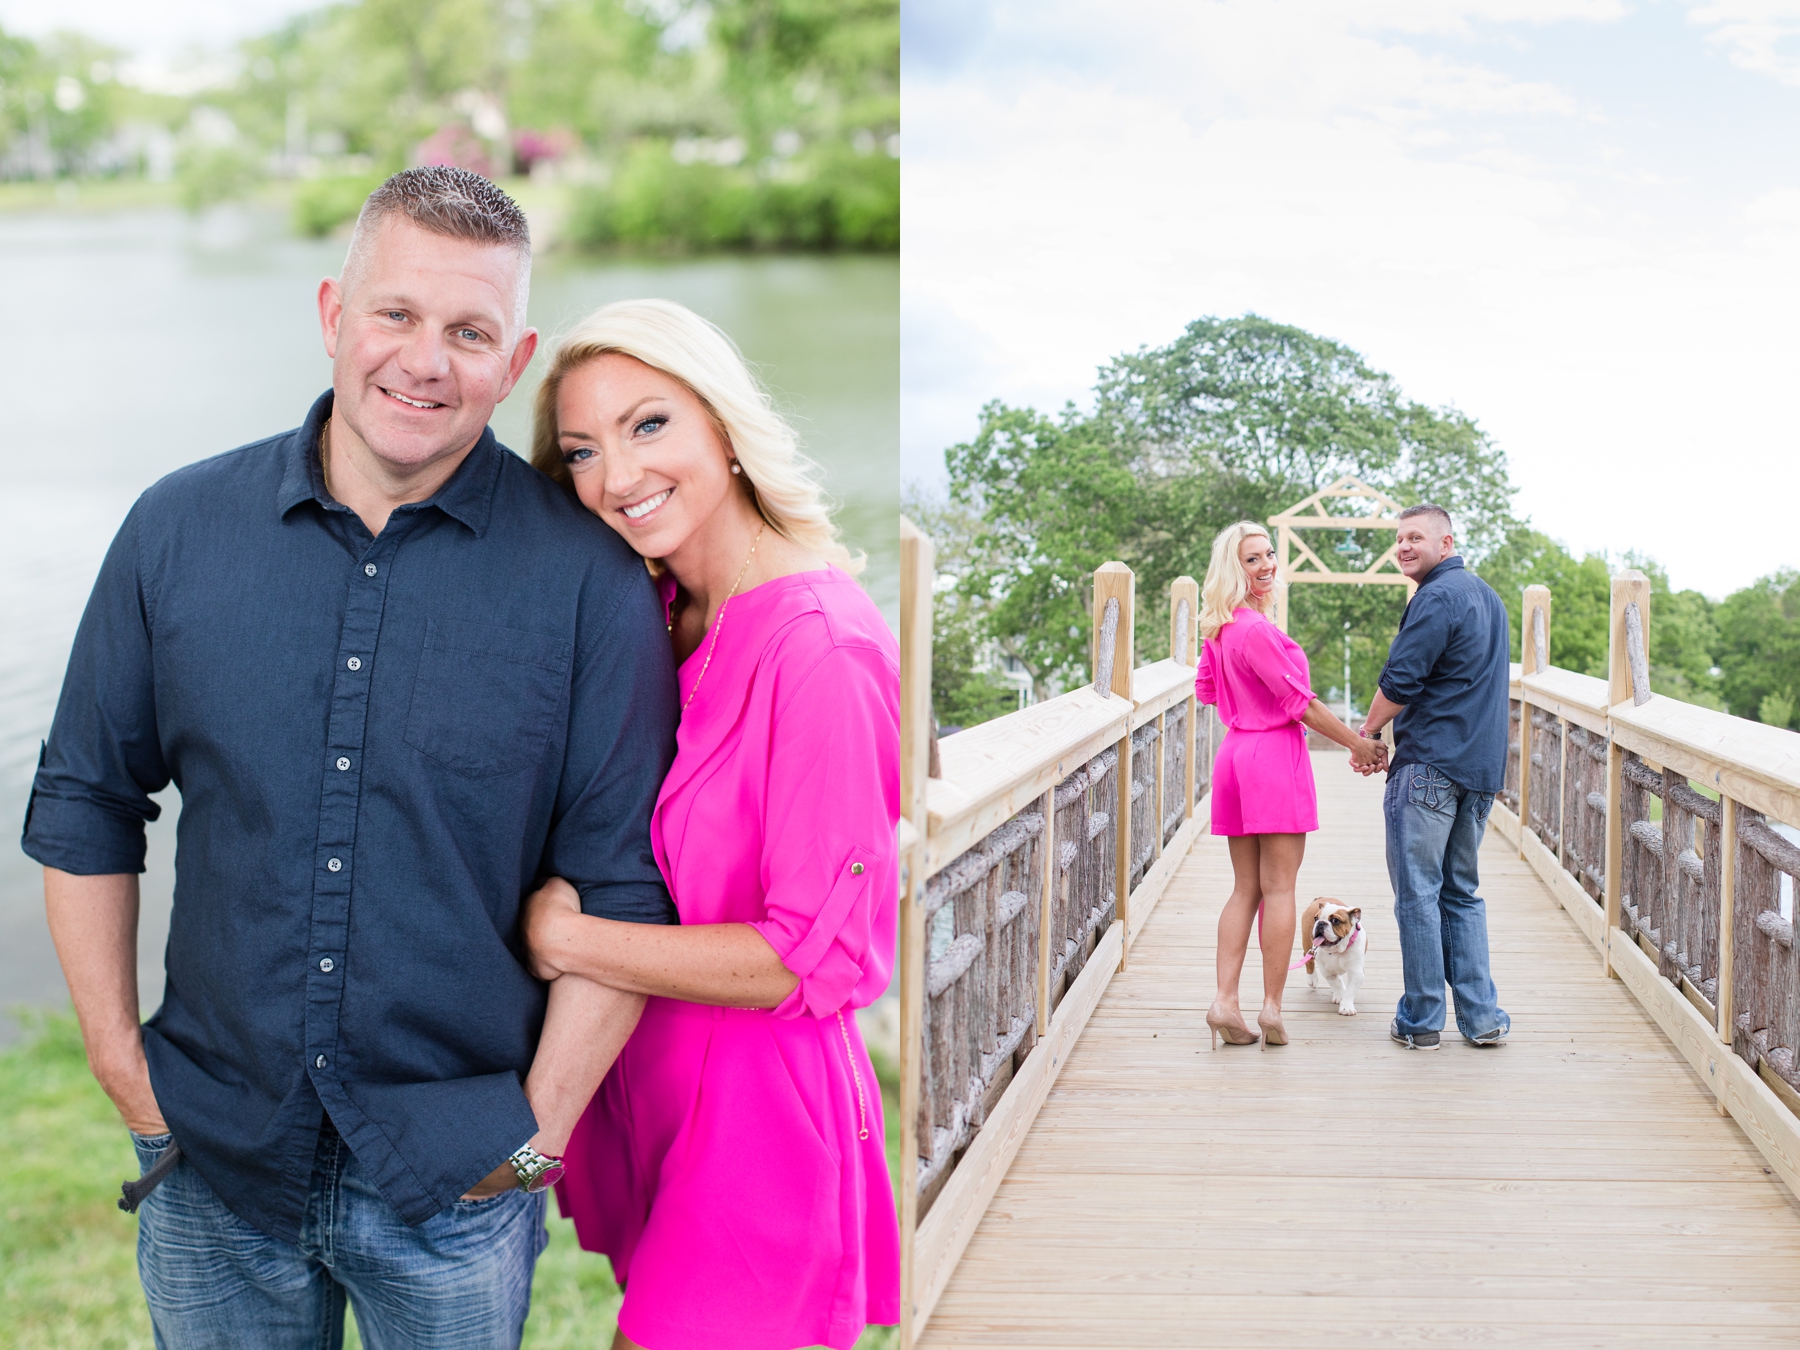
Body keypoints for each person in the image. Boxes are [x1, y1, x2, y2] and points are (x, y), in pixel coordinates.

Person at [21, 168, 678, 1349]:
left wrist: (535, 1142)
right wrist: (126, 1073)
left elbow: (625, 883)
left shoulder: (591, 584)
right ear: (333, 313)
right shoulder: (175, 529)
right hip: (213, 1153)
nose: (427, 361)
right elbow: (86, 804)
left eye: (470, 332)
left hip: (458, 1172)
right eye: (398, 314)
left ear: (514, 359)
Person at [519, 298, 900, 1350]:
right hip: (655, 1093)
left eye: (650, 426)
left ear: (725, 431)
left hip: (759, 1128)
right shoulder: (659, 612)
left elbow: (811, 964)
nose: (617, 477)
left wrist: (564, 940)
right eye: (582, 450)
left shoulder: (820, 650)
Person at [1195, 521, 1387, 1049]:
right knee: (1279, 888)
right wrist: (1358, 743)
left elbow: (1208, 692)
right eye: (1251, 560)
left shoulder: (1218, 627)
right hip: (1272, 756)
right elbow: (1300, 704)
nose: (1266, 566)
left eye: (1269, 555)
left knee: (1244, 888)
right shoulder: (1256, 630)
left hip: (1234, 754)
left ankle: (1224, 1002)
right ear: (1232, 569)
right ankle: (1271, 1009)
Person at [1358, 502, 1512, 1051]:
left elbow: (1401, 680)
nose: (1403, 546)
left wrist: (1368, 735)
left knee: (1418, 894)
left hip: (1428, 766)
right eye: (1399, 538)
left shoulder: (1435, 597)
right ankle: (1482, 1016)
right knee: (1462, 892)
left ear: (1446, 544)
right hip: (1479, 770)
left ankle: (1422, 1020)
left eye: (1415, 537)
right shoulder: (1489, 598)